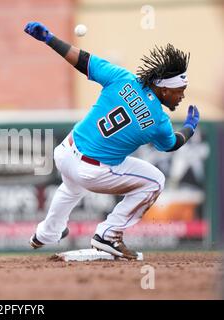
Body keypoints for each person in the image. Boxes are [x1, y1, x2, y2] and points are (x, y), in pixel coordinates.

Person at [24, 22, 200, 259]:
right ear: (163, 89)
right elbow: (173, 144)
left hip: (65, 153)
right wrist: (189, 128)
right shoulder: (159, 120)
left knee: (70, 188)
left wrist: (49, 38)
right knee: (156, 181)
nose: (181, 96)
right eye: (179, 90)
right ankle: (108, 235)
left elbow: (82, 60)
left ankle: (45, 234)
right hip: (93, 172)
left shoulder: (122, 77)